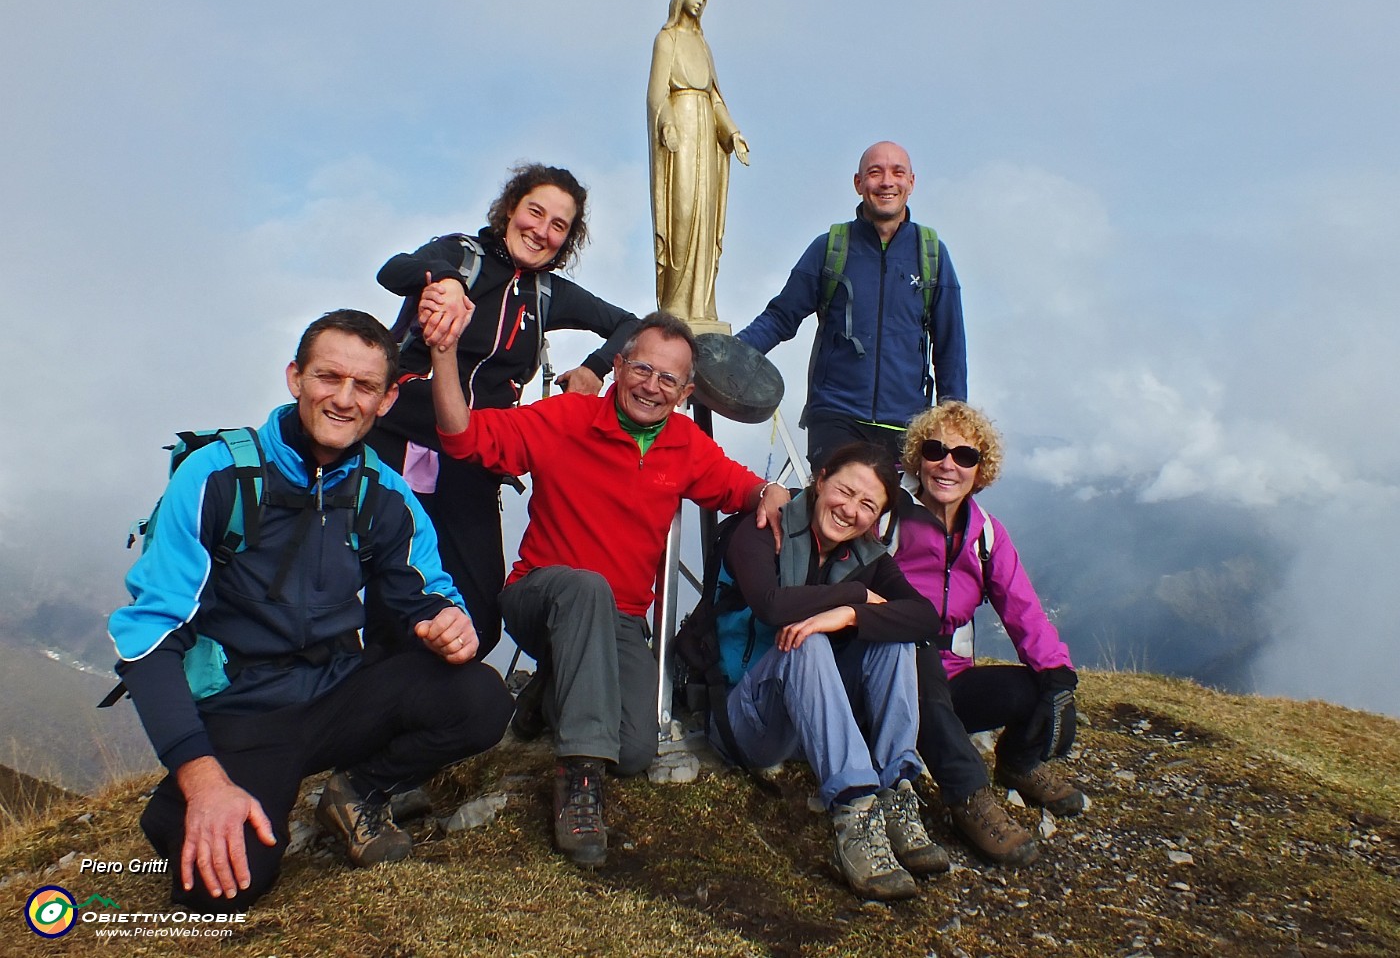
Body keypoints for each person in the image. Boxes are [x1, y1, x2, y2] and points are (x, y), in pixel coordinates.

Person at [109, 310, 513, 912]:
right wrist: (201, 775)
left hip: (334, 691)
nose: (344, 399)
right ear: (295, 377)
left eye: (365, 386)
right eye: (329, 377)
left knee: (481, 699)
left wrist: (446, 622)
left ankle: (358, 792)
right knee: (220, 895)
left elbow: (423, 590)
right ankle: (180, 805)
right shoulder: (219, 475)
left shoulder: (385, 494)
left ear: (388, 398)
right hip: (243, 710)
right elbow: (149, 636)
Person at [430, 309, 787, 868]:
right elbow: (463, 438)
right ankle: (578, 781)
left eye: (669, 379)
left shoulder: (685, 444)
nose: (652, 386)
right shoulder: (566, 417)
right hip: (541, 595)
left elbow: (742, 487)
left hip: (619, 619)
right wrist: (444, 354)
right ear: (617, 366)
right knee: (587, 589)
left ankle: (553, 691)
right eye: (642, 368)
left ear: (686, 391)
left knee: (636, 749)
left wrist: (771, 491)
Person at [369, 163, 639, 656]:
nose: (541, 230)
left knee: (480, 615)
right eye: (535, 212)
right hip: (403, 444)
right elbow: (393, 270)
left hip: (474, 456)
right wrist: (445, 279)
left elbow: (631, 326)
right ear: (511, 209)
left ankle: (432, 701)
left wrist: (596, 368)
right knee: (389, 590)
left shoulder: (548, 294)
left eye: (559, 225)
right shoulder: (461, 256)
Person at [713, 443, 947, 901]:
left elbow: (924, 619)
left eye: (868, 505)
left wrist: (852, 617)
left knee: (894, 639)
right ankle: (854, 812)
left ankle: (896, 789)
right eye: (845, 490)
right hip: (745, 719)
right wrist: (855, 598)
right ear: (820, 480)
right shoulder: (763, 529)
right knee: (805, 640)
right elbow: (770, 605)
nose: (851, 511)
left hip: (811, 726)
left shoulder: (868, 555)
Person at [891, 402, 1086, 819]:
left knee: (1039, 692)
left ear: (980, 471)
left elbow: (1023, 608)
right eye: (935, 450)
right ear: (917, 458)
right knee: (923, 686)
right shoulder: (887, 521)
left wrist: (1057, 676)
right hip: (894, 679)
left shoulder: (986, 535)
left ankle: (1018, 765)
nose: (947, 465)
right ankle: (970, 800)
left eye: (964, 456)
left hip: (955, 679)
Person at [735, 141, 967, 470]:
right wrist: (728, 356)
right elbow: (779, 319)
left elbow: (950, 348)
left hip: (908, 424)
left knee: (897, 521)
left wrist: (955, 426)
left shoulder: (932, 255)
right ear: (859, 184)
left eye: (897, 173)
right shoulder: (829, 248)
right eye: (875, 173)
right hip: (836, 416)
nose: (887, 181)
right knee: (839, 511)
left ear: (911, 183)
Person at [648, 0, 749, 330]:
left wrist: (733, 133)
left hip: (706, 135)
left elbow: (715, 97)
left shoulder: (704, 46)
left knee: (705, 218)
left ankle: (702, 304)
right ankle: (676, 303)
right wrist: (667, 124)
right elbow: (657, 93)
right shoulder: (667, 40)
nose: (701, 0)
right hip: (681, 133)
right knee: (683, 213)